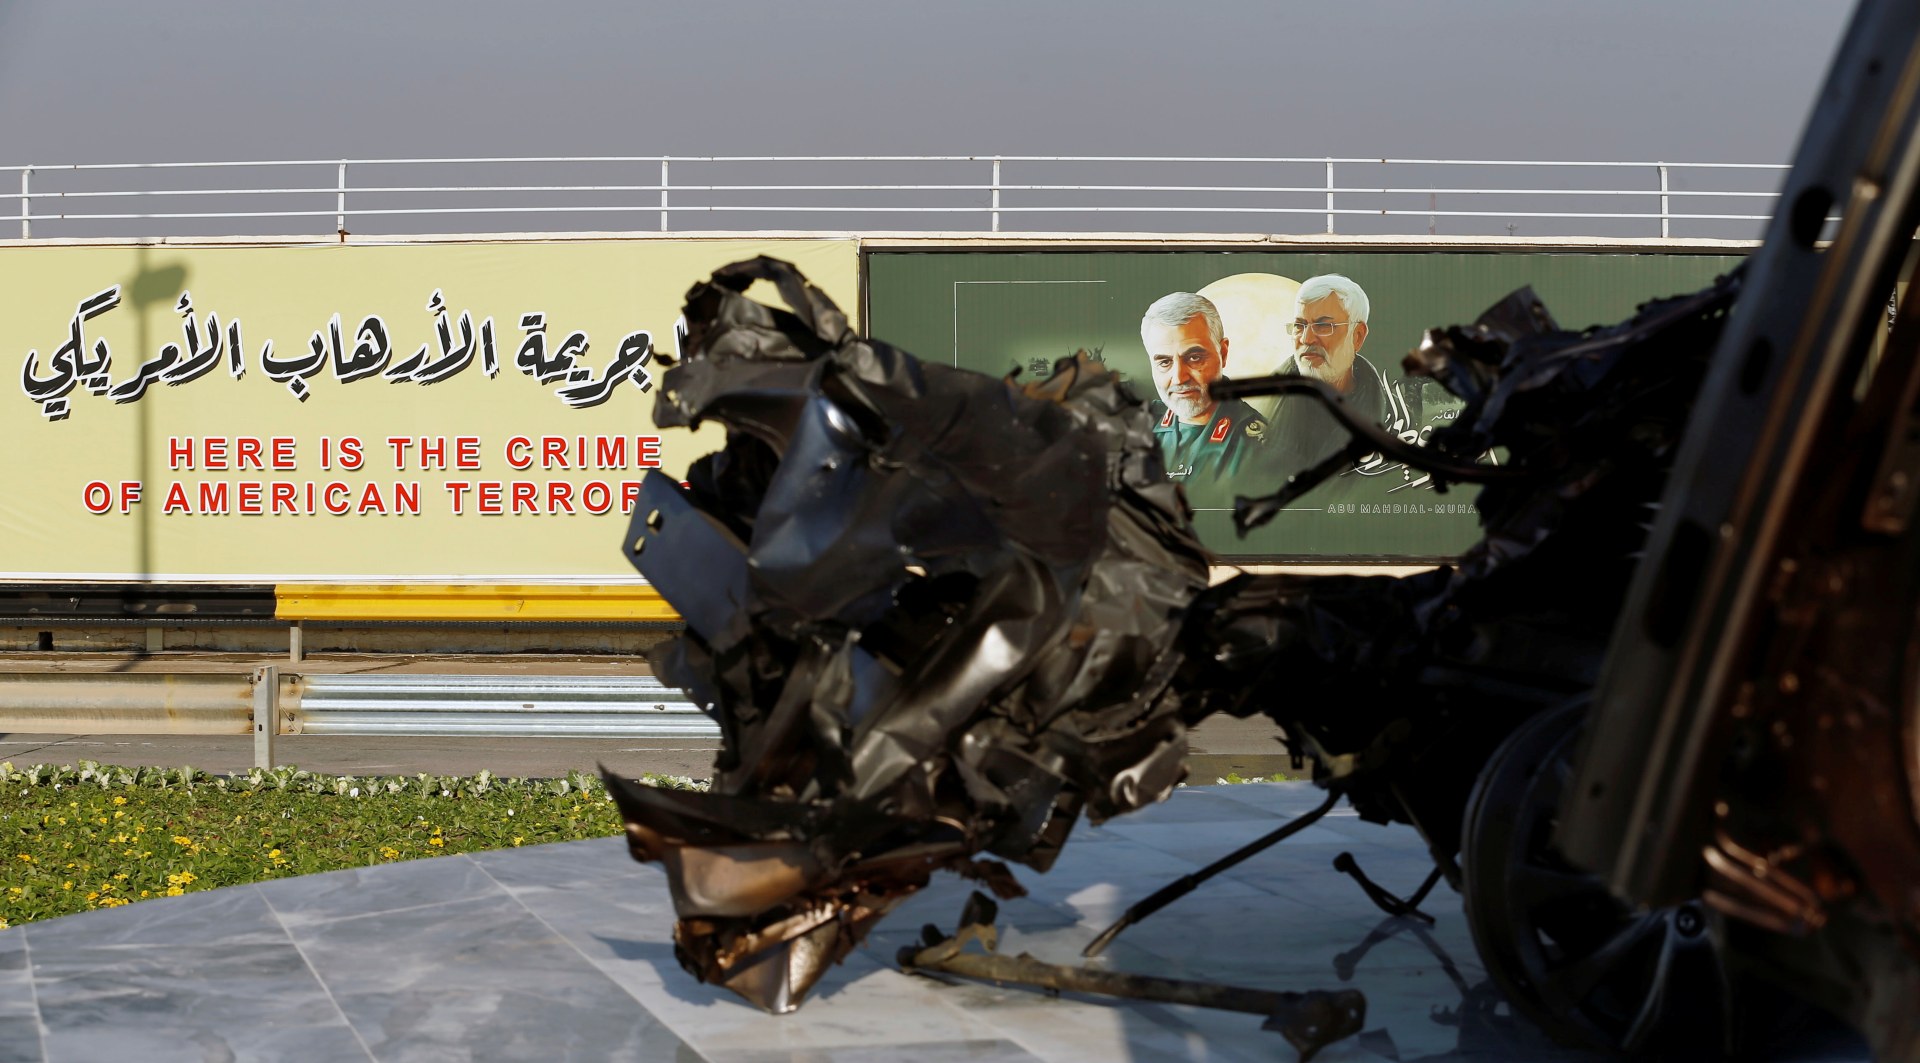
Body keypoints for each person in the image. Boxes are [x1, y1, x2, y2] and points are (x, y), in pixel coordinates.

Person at [1270, 274, 1404, 470]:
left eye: (1323, 326)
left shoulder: (1395, 417)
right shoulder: (1258, 407)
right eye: (1299, 326)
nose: (1307, 339)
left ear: (1357, 336)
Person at [1138, 292, 1271, 488]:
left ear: (1223, 353)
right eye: (1164, 362)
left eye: (1194, 358)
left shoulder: (1256, 447)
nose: (1179, 377)